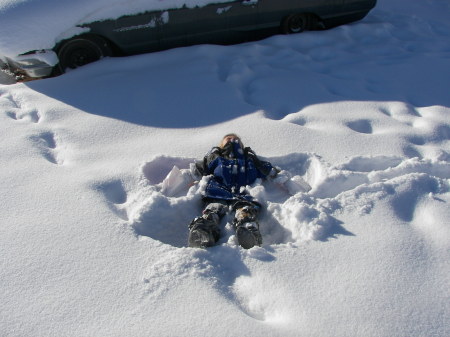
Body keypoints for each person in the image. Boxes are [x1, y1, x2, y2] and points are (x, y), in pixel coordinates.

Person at [187, 133, 279, 249]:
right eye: (228, 139)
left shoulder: (249, 157)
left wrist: (274, 172)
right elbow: (200, 168)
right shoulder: (216, 157)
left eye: (236, 139)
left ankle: (248, 230)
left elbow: (264, 168)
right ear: (221, 144)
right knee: (213, 209)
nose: (232, 140)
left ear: (241, 144)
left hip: (243, 192)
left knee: (246, 210)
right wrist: (187, 176)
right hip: (219, 191)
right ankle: (204, 231)